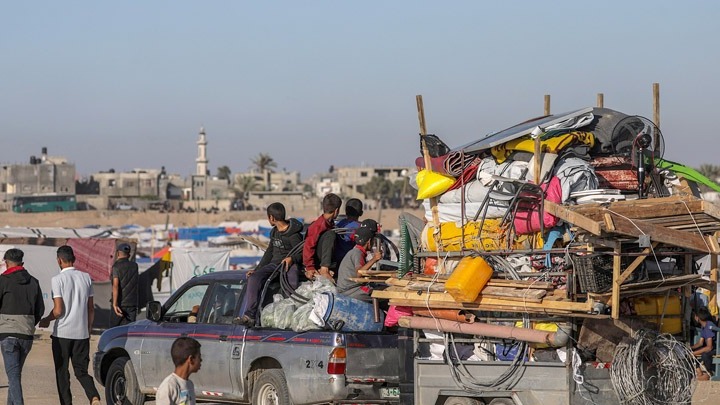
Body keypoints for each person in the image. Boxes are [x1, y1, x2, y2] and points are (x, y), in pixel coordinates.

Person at [38, 245, 101, 405]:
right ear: (74, 259)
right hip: (82, 334)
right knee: (81, 371)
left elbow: (58, 310)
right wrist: (88, 328)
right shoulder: (86, 277)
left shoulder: (57, 280)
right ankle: (94, 397)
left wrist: (46, 320)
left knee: (62, 372)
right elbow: (90, 308)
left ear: (59, 260)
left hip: (63, 335)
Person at [239, 202, 303, 327]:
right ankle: (250, 315)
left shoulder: (294, 235)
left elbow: (303, 252)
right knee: (254, 278)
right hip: (274, 265)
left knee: (291, 286)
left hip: (289, 266)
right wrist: (257, 270)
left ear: (272, 218)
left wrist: (292, 258)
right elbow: (269, 253)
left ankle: (290, 315)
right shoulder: (274, 232)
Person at [0, 248, 44, 405]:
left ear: (6, 263)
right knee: (15, 376)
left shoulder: (2, 281)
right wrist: (29, 324)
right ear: (22, 263)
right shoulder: (34, 282)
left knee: (13, 377)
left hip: (8, 335)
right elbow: (40, 310)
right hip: (26, 335)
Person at [336, 226, 382, 303]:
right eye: (373, 241)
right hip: (352, 291)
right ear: (369, 241)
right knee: (383, 296)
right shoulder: (357, 253)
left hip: (348, 290)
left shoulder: (354, 251)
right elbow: (360, 272)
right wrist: (374, 259)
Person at [303, 193, 342, 281]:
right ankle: (324, 269)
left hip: (324, 256)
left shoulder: (329, 223)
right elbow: (308, 246)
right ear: (336, 211)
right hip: (317, 259)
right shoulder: (318, 225)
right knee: (330, 235)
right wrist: (310, 267)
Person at [156, 337, 202, 405]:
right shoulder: (169, 386)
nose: (201, 360)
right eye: (199, 357)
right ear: (191, 359)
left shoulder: (189, 384)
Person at [112, 242, 139, 326]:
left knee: (114, 330)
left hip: (120, 304)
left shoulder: (116, 267)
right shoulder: (135, 266)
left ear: (118, 253)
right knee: (130, 330)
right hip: (132, 304)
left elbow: (115, 285)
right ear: (129, 255)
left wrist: (115, 303)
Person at [334, 198, 364, 265]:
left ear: (346, 212)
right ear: (361, 213)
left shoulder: (339, 224)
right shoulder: (360, 228)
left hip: (336, 258)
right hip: (351, 261)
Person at [691, 306, 717, 376]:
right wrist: (690, 348)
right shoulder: (703, 326)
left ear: (697, 317)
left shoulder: (709, 327)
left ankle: (711, 372)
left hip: (716, 348)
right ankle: (699, 372)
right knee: (691, 352)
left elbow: (709, 347)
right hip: (712, 347)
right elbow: (700, 343)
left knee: (705, 355)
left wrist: (693, 354)